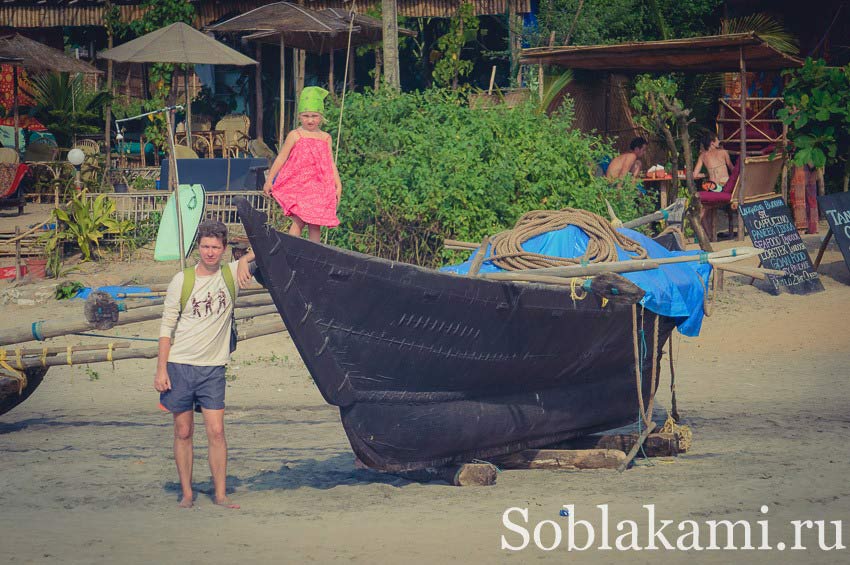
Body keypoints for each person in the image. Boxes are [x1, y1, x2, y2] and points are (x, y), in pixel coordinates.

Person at [154, 220, 256, 509]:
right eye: (205, 246)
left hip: (213, 368)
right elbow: (166, 328)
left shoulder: (231, 275)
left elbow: (264, 248)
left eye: (215, 247)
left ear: (225, 250)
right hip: (180, 366)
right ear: (198, 247)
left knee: (216, 431)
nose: (210, 252)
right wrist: (161, 369)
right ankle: (187, 493)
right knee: (183, 431)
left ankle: (220, 494)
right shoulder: (182, 280)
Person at [263, 86, 343, 243]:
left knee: (315, 224)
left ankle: (314, 256)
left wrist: (338, 184)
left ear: (321, 117)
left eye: (314, 116)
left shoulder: (326, 138)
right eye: (306, 116)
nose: (310, 120)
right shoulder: (295, 135)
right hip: (299, 186)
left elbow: (330, 163)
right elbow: (281, 158)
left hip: (319, 187)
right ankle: (291, 250)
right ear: (299, 116)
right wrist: (269, 179)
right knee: (299, 220)